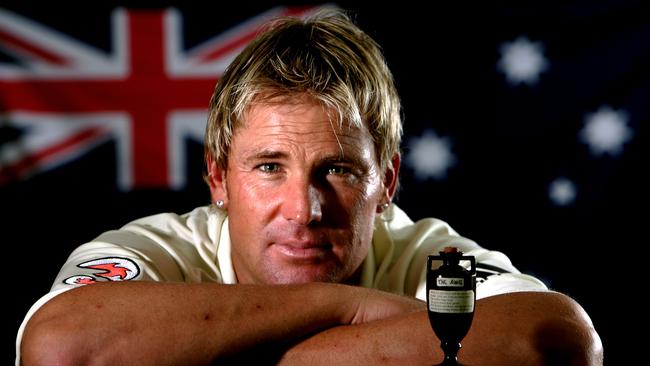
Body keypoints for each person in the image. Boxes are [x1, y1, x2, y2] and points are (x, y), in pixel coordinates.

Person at [17, 8, 602, 365]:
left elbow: (555, 342)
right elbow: (60, 350)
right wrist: (342, 307)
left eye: (339, 170)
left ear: (387, 182)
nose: (304, 210)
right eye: (269, 166)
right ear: (218, 178)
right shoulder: (161, 251)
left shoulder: (427, 257)